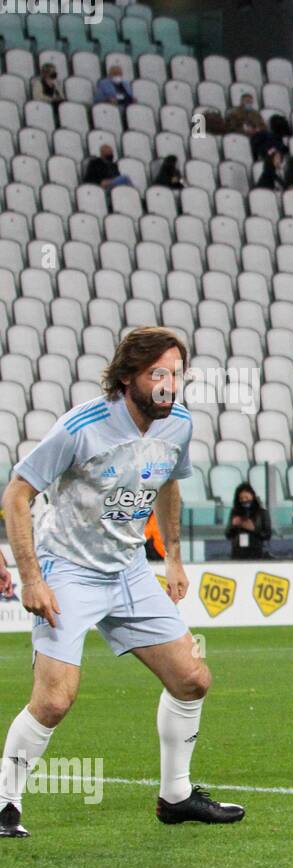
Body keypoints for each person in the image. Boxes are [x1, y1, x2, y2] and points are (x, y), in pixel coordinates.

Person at [0, 327, 245, 838]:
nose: (168, 386)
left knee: (192, 679)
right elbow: (16, 495)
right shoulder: (81, 427)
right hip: (66, 567)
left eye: (176, 374)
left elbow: (169, 482)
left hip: (129, 567)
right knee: (54, 700)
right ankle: (4, 803)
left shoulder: (178, 424)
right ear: (128, 376)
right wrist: (32, 578)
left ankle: (175, 797)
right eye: (158, 373)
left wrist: (172, 556)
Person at [225, 482, 273, 560]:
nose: (244, 500)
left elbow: (267, 534)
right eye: (241, 498)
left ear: (252, 496)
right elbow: (228, 534)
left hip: (256, 552)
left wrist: (253, 529)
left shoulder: (262, 513)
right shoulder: (235, 512)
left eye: (246, 497)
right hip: (238, 552)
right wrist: (233, 526)